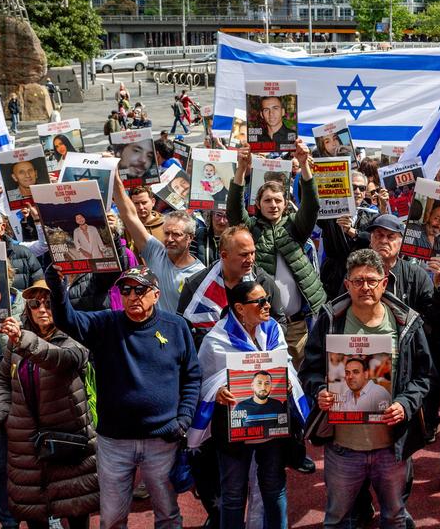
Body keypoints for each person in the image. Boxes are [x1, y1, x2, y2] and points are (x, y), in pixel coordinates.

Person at [48, 265, 201, 529]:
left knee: (167, 515)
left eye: (140, 290)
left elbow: (192, 376)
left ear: (155, 294)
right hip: (114, 442)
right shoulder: (106, 323)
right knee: (112, 519)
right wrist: (57, 286)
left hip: (162, 440)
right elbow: (66, 320)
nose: (133, 297)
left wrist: (184, 418)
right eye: (126, 290)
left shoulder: (176, 327)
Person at [300, 249, 433, 529]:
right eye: (358, 281)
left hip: (391, 446)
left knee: (395, 517)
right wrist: (320, 391)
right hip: (344, 447)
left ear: (385, 283)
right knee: (337, 519)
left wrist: (405, 404)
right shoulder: (330, 319)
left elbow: (424, 376)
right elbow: (309, 370)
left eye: (372, 280)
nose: (365, 287)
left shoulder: (406, 322)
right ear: (347, 284)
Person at [195, 280, 304, 529]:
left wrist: (286, 381)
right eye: (260, 301)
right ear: (240, 308)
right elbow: (203, 381)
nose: (268, 305)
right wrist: (218, 392)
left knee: (275, 489)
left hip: (272, 431)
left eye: (267, 299)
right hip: (233, 433)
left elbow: (286, 365)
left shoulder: (274, 330)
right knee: (233, 496)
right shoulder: (217, 340)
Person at [0, 280, 98, 529]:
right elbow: (2, 379)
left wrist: (23, 339)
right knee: (34, 512)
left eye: (49, 303)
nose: (41, 309)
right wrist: (3, 415)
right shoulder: (16, 342)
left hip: (68, 436)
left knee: (75, 509)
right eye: (34, 303)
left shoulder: (74, 337)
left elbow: (60, 359)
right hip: (25, 440)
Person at [229, 141, 325, 366]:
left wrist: (304, 166)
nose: (273, 205)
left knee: (299, 384)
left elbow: (311, 207)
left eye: (278, 200)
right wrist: (242, 169)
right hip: (261, 325)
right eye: (267, 200)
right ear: (258, 204)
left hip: (297, 328)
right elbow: (234, 212)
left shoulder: (295, 227)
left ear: (286, 204)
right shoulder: (250, 229)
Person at [115, 177, 204, 314]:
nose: (169, 239)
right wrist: (115, 177)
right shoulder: (156, 252)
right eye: (166, 233)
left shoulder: (200, 274)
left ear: (190, 238)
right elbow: (129, 215)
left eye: (176, 234)